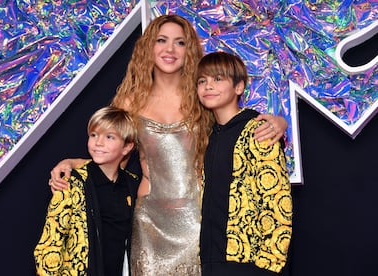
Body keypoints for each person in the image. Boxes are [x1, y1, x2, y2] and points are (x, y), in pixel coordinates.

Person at [48, 15, 288, 275]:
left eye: (180, 42)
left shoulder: (203, 96)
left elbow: (235, 127)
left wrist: (279, 122)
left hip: (200, 220)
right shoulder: (129, 102)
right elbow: (113, 156)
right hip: (149, 222)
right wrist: (73, 163)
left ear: (190, 50)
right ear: (148, 46)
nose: (170, 50)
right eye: (161, 40)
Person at [196, 51, 292, 275]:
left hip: (250, 262)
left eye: (217, 79)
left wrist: (269, 262)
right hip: (213, 258)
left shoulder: (259, 130)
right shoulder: (210, 136)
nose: (208, 86)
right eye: (202, 81)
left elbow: (277, 200)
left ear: (239, 87)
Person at [34, 106, 139, 275]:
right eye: (94, 135)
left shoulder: (131, 184)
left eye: (109, 137)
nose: (98, 142)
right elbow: (50, 244)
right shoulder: (71, 183)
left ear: (126, 147)